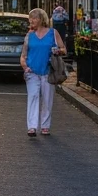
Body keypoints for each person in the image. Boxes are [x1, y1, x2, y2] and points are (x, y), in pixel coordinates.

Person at [21, 7, 66, 137]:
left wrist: (58, 51)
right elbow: (23, 55)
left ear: (41, 19)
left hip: (48, 71)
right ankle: (32, 127)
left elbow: (64, 49)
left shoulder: (53, 33)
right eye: (30, 18)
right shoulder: (29, 35)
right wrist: (25, 67)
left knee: (47, 99)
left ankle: (45, 126)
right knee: (33, 97)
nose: (31, 20)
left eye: (34, 18)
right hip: (32, 71)